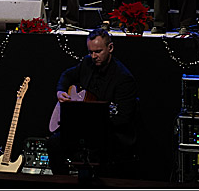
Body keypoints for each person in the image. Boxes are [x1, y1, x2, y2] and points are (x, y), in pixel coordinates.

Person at [47, 29, 137, 175]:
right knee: (54, 143)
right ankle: (63, 183)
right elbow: (67, 75)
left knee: (98, 150)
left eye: (98, 51)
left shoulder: (123, 78)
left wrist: (95, 123)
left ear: (110, 48)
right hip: (83, 129)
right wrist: (60, 91)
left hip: (109, 132)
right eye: (91, 52)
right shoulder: (86, 63)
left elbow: (123, 118)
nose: (94, 56)